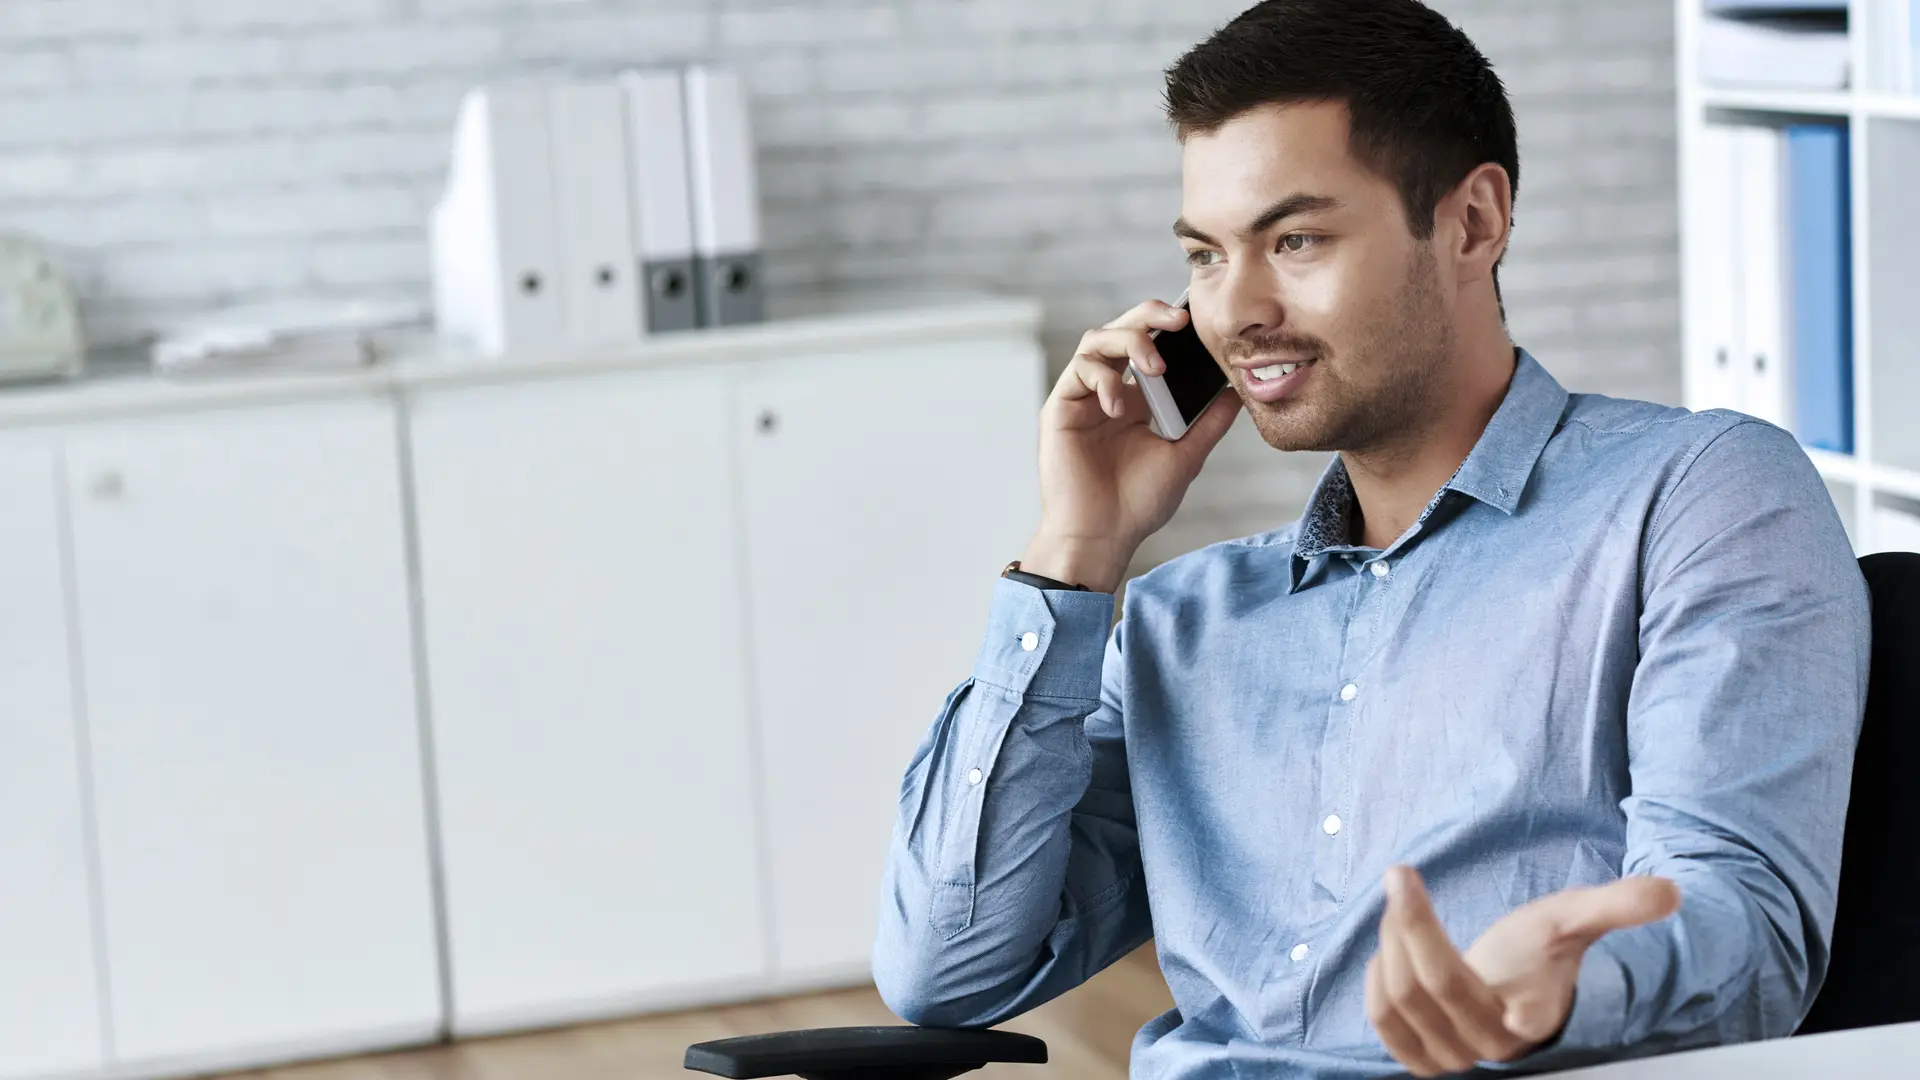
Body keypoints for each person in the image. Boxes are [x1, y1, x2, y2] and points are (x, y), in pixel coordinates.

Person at [870, 1, 1871, 1077]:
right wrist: (1075, 548)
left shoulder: (1697, 496)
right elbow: (949, 970)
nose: (1237, 309)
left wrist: (1564, 993)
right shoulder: (1180, 622)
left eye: (1294, 240)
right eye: (1207, 256)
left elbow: (1748, 933)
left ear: (1473, 224)